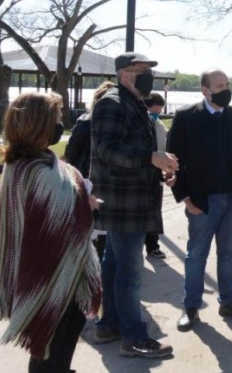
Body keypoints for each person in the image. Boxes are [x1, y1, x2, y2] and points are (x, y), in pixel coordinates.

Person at [0, 92, 102, 372]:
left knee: (56, 347)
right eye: (57, 118)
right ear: (38, 124)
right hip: (52, 275)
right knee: (51, 348)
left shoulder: (33, 163)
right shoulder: (35, 171)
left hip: (62, 272)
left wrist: (79, 199)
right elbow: (63, 221)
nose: (61, 124)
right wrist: (86, 205)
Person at [90, 52, 178, 358]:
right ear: (125, 73)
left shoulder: (133, 103)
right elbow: (107, 149)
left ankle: (109, 324)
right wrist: (150, 158)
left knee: (114, 264)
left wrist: (159, 166)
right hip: (123, 201)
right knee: (129, 271)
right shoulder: (112, 103)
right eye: (142, 70)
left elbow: (136, 150)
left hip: (130, 199)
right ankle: (134, 337)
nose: (148, 76)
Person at [166, 69, 232, 332]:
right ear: (205, 90)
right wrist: (186, 199)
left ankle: (228, 302)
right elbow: (173, 162)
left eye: (228, 84)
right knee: (196, 255)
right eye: (220, 85)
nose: (226, 89)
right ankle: (191, 307)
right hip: (201, 202)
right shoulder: (186, 117)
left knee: (229, 255)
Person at [64, 81, 115, 260]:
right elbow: (71, 153)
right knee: (100, 226)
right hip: (96, 180)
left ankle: (94, 262)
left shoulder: (85, 122)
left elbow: (70, 153)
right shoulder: (89, 123)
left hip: (86, 178)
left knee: (89, 225)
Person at [143, 92, 168, 259]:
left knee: (154, 211)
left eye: (159, 113)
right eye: (153, 113)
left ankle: (153, 246)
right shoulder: (139, 124)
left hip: (156, 174)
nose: (156, 116)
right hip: (139, 173)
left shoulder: (160, 126)